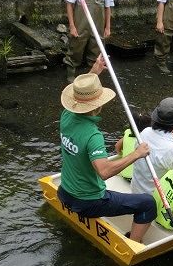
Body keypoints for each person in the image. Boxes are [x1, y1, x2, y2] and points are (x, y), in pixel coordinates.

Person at [56, 56, 156, 243]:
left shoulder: (67, 115)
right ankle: (134, 243)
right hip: (88, 202)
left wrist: (94, 72)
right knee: (148, 203)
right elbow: (104, 172)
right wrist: (137, 154)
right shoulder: (93, 135)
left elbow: (81, 96)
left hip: (65, 192)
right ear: (98, 104)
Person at [64, 0, 114, 83]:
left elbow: (108, 7)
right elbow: (69, 4)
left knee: (96, 51)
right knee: (75, 49)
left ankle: (93, 78)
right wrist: (72, 26)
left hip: (98, 26)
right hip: (80, 24)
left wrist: (107, 27)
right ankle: (71, 74)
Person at [114, 111, 151, 180]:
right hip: (137, 179)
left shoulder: (127, 133)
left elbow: (117, 146)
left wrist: (122, 154)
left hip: (124, 175)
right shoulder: (148, 138)